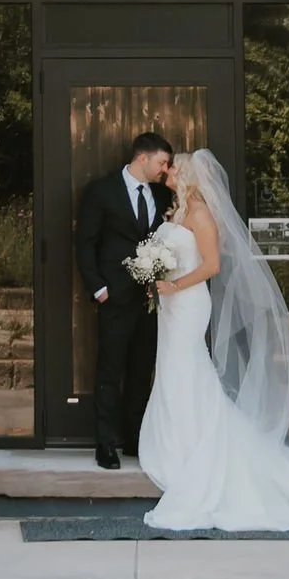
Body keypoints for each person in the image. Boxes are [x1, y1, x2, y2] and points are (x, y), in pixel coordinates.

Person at [134, 148, 289, 535]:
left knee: (187, 368)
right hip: (170, 305)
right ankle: (173, 442)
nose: (169, 172)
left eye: (174, 169)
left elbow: (212, 265)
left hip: (188, 303)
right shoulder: (176, 211)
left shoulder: (200, 215)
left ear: (190, 178)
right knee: (171, 368)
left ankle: (198, 448)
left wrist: (174, 284)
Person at [74, 129, 173, 468]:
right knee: (109, 371)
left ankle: (134, 438)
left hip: (150, 300)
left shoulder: (162, 196)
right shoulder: (101, 191)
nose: (165, 169)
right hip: (114, 297)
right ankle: (105, 444)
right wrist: (98, 288)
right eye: (162, 162)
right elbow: (85, 242)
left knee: (141, 370)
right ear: (142, 158)